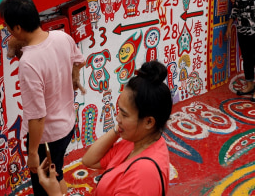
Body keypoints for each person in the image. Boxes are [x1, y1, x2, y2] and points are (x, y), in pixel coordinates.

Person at [37, 61, 172, 196]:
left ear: (148, 122)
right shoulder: (135, 141)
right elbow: (89, 160)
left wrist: (55, 194)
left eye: (124, 114)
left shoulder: (143, 175)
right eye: (119, 110)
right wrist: (117, 129)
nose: (117, 117)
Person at [0, 0, 85, 196]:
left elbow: (37, 116)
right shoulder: (61, 37)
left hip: (48, 136)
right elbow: (78, 61)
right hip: (67, 124)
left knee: (46, 187)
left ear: (18, 28)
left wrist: (32, 154)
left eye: (8, 27)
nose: (7, 31)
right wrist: (73, 79)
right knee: (57, 175)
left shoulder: (29, 63)